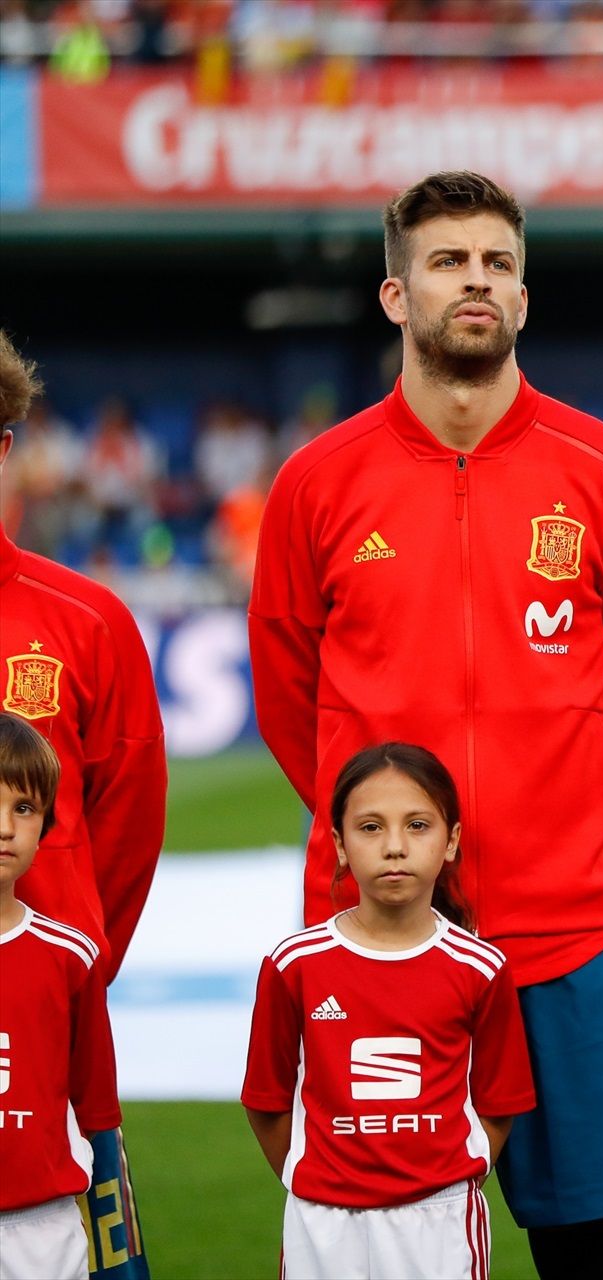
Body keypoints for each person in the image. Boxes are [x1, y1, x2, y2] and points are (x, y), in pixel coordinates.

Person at [248, 170, 603, 1279]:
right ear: (397, 296)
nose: (475, 281)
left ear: (525, 297)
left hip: (565, 933)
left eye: (496, 261)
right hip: (379, 939)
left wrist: (557, 807)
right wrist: (393, 848)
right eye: (447, 261)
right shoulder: (316, 481)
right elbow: (287, 696)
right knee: (383, 1253)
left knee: (587, 1253)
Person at [0, 330, 167, 1280]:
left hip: (55, 1048)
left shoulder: (87, 622)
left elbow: (130, 830)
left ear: (5, 446)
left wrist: (62, 977)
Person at [242, 742, 535, 1280]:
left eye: (418, 826)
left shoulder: (480, 968)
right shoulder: (295, 965)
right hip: (322, 1219)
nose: (395, 846)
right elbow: (266, 1102)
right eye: (371, 827)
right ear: (339, 844)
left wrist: (447, 1177)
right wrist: (320, 1177)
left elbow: (500, 1102)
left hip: (440, 1220)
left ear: (451, 842)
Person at [0, 714, 120, 1280]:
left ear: (45, 821)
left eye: (23, 808)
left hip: (41, 1229)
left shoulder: (71, 956)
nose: (5, 827)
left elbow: (95, 1110)